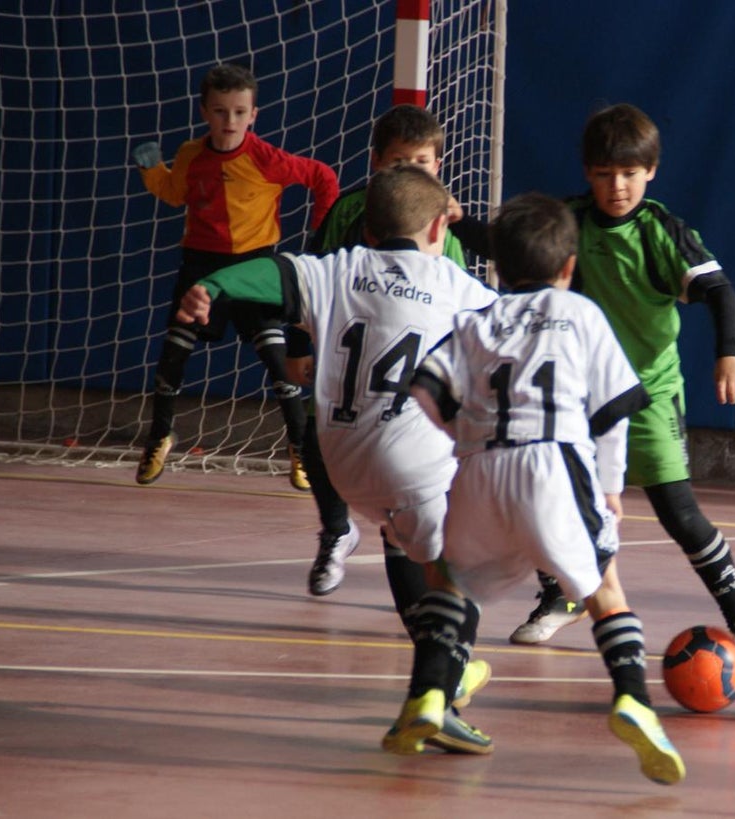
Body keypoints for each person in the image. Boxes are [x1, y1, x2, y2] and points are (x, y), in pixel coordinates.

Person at [176, 164, 496, 754]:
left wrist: (213, 286)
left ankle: (449, 674)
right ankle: (433, 698)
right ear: (436, 229)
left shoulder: (339, 268)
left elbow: (270, 271)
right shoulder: (455, 284)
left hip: (344, 466)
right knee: (462, 570)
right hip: (412, 463)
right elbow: (512, 335)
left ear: (369, 230)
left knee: (404, 541)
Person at [392, 191, 684, 784]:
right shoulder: (581, 313)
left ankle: (427, 693)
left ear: (496, 266)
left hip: (478, 471)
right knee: (603, 584)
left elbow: (424, 391)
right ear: (569, 266)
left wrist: (466, 434)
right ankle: (634, 700)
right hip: (552, 463)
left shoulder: (476, 320)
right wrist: (609, 487)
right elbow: (616, 409)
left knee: (451, 580)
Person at [509, 103, 735, 663]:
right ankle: (561, 596)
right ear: (587, 174)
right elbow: (510, 247)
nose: (617, 186)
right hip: (575, 393)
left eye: (628, 173)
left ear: (650, 171)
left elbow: (720, 291)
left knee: (678, 512)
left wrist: (730, 354)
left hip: (647, 394)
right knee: (547, 490)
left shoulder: (662, 233)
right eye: (604, 174)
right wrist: (456, 223)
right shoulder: (568, 221)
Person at [290, 104, 488, 596]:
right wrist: (298, 345)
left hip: (417, 386)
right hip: (347, 366)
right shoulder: (351, 212)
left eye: (420, 162)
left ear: (437, 166)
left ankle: (426, 604)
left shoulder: (445, 236)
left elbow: (463, 309)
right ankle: (337, 530)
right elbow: (305, 277)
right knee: (317, 441)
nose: (409, 172)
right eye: (398, 162)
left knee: (405, 497)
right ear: (376, 161)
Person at [130, 62, 339, 489]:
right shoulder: (191, 155)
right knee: (173, 356)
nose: (230, 121)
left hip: (253, 268)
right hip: (200, 265)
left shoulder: (266, 159)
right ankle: (159, 436)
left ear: (253, 115)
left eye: (240, 112)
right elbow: (175, 194)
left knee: (278, 364)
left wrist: (323, 231)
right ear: (205, 111)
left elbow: (322, 176)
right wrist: (153, 171)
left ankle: (299, 449)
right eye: (221, 111)